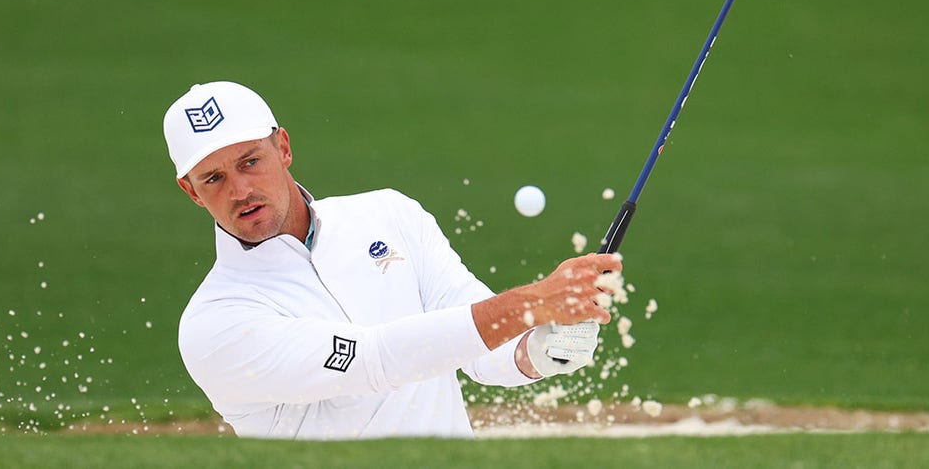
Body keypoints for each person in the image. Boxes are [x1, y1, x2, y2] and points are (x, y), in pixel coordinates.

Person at [164, 81, 623, 439]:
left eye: (249, 162)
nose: (240, 191)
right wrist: (533, 303)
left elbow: (484, 351)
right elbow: (373, 361)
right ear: (191, 192)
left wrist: (540, 348)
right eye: (214, 178)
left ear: (283, 147)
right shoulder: (216, 324)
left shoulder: (389, 214)